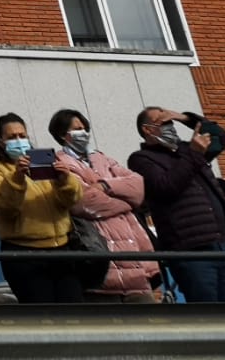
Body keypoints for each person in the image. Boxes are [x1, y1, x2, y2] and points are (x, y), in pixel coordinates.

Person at [126, 106, 225, 303]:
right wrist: (193, 153)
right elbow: (166, 187)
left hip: (222, 244)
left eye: (171, 122)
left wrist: (183, 117)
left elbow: (221, 137)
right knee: (207, 313)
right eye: (164, 122)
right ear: (148, 130)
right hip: (190, 250)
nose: (171, 126)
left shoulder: (187, 150)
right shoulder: (142, 159)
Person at [49, 108, 158, 303]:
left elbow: (138, 186)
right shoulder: (59, 163)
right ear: (63, 134)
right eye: (77, 129)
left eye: (84, 128)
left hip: (136, 271)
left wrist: (104, 185)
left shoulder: (103, 159)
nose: (83, 133)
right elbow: (82, 202)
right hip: (100, 272)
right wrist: (126, 202)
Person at [0, 112, 83, 304]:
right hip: (24, 254)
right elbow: (3, 207)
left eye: (22, 135)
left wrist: (65, 180)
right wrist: (16, 178)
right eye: (12, 137)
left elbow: (71, 200)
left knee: (74, 310)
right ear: (1, 142)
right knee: (42, 312)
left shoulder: (44, 162)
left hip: (62, 249)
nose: (19, 141)